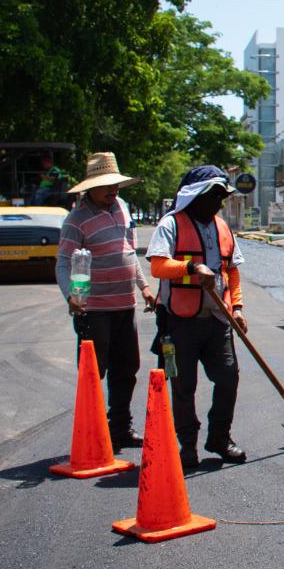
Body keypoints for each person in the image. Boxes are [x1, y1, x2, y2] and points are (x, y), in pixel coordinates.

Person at [146, 165, 248, 471]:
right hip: (179, 321)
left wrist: (238, 308)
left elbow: (232, 270)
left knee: (228, 378)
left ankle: (219, 437)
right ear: (197, 196)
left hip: (218, 319)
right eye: (215, 196)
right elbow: (159, 266)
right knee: (182, 385)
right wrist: (191, 268)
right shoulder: (171, 225)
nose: (220, 203)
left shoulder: (223, 228)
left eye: (222, 197)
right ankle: (187, 445)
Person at [56, 152, 156, 451]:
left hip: (125, 306)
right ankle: (91, 429)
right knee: (92, 372)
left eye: (115, 184)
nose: (113, 190)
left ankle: (120, 428)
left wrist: (145, 286)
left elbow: (129, 252)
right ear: (90, 188)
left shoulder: (122, 209)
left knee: (127, 368)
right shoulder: (76, 220)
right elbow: (63, 263)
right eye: (106, 185)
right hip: (94, 309)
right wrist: (71, 295)